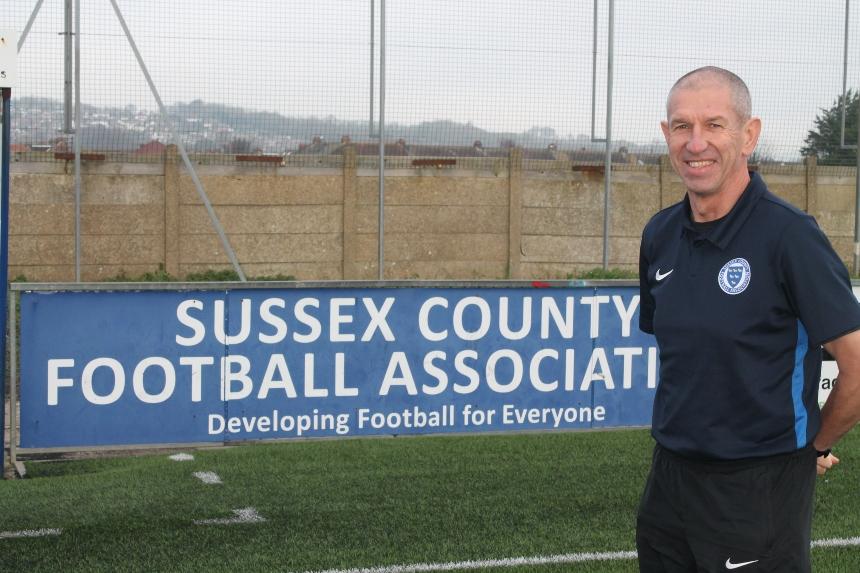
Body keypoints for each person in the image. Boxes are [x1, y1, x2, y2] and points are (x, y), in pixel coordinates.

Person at [636, 66, 860, 572]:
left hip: (759, 488)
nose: (696, 143)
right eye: (682, 126)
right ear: (666, 134)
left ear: (749, 135)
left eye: (714, 125)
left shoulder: (790, 236)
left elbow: (857, 365)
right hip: (668, 481)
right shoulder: (660, 235)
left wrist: (813, 448)